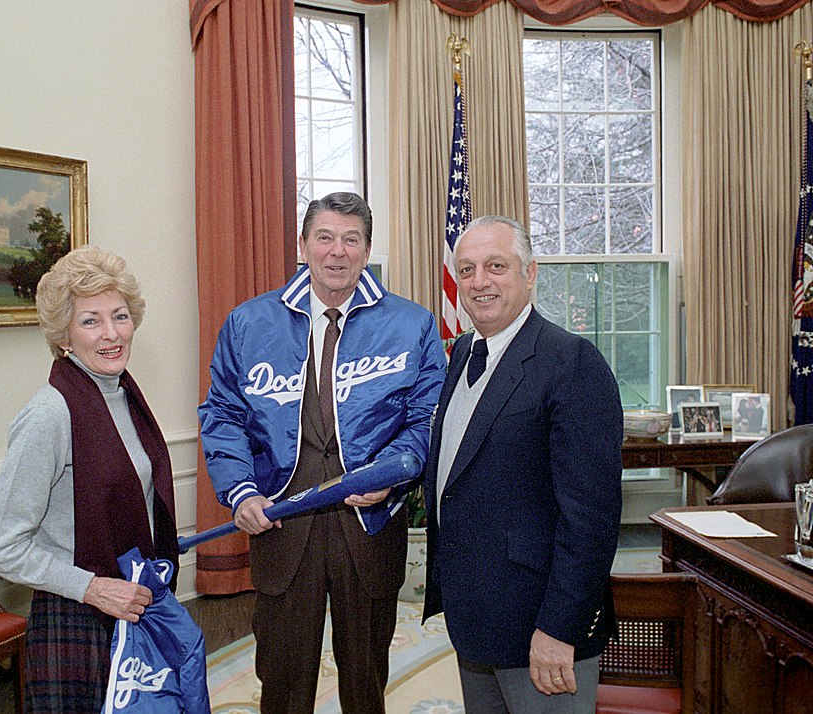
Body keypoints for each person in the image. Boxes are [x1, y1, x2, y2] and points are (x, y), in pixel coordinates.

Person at [199, 192, 447, 712]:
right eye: (325, 237)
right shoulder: (249, 323)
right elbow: (223, 415)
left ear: (367, 248)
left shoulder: (413, 324)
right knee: (283, 681)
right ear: (303, 244)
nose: (337, 252)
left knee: (366, 681)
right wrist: (241, 491)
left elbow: (427, 419)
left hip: (371, 525)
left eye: (351, 239)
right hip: (282, 528)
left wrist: (392, 476)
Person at [423, 216, 622, 713]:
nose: (479, 282)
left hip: (541, 629)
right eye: (466, 269)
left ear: (530, 274)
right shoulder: (463, 352)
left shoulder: (572, 362)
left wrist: (560, 628)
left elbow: (591, 518)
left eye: (496, 266)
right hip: (476, 622)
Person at [0, 246, 179, 713]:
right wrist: (92, 587)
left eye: (120, 316)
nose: (111, 334)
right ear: (63, 336)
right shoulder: (49, 413)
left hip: (129, 606)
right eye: (91, 321)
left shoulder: (125, 395)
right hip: (76, 617)